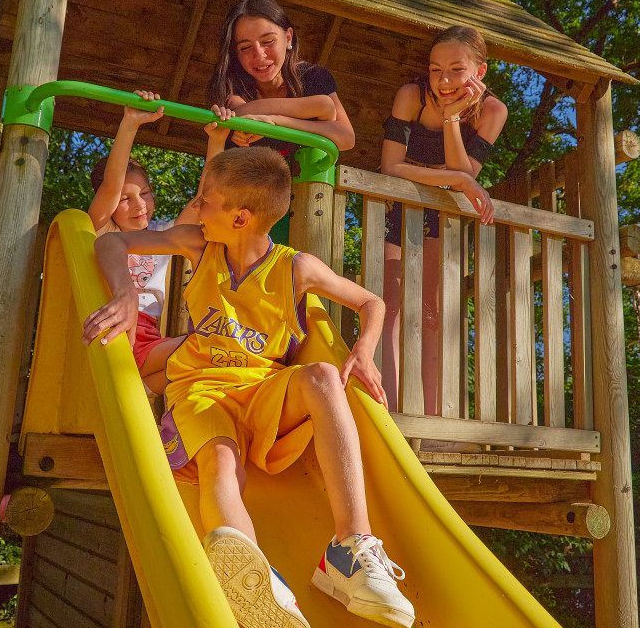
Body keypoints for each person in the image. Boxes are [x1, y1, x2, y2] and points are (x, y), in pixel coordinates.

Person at [83, 146, 415, 628]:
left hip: (262, 390)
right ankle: (257, 582)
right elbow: (109, 245)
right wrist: (125, 292)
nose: (195, 207)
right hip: (200, 389)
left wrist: (363, 349)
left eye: (205, 200)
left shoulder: (295, 267)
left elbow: (371, 302)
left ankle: (349, 551)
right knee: (219, 461)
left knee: (323, 376)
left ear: (240, 218)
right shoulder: (199, 244)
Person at [380, 26, 504, 414]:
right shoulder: (411, 95)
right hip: (396, 207)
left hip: (443, 218)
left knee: (434, 313)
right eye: (436, 70)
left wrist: (452, 120)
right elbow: (390, 167)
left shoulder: (492, 110)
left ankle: (432, 420)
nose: (444, 80)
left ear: (479, 72)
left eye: (456, 69)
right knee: (389, 306)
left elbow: (462, 176)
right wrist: (456, 178)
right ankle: (387, 412)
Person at [87, 91, 231, 395]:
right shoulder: (101, 229)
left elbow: (204, 201)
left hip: (151, 340)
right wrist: (130, 124)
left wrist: (216, 142)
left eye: (146, 193)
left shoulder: (162, 234)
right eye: (126, 199)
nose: (140, 204)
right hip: (121, 332)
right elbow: (111, 186)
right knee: (216, 345)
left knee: (213, 364)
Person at [208, 0, 356, 242]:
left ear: (288, 38)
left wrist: (278, 122)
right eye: (245, 48)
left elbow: (346, 137)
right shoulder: (230, 84)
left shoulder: (312, 77)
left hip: (305, 206)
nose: (259, 55)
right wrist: (315, 110)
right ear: (235, 52)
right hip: (247, 208)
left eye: (268, 41)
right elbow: (243, 113)